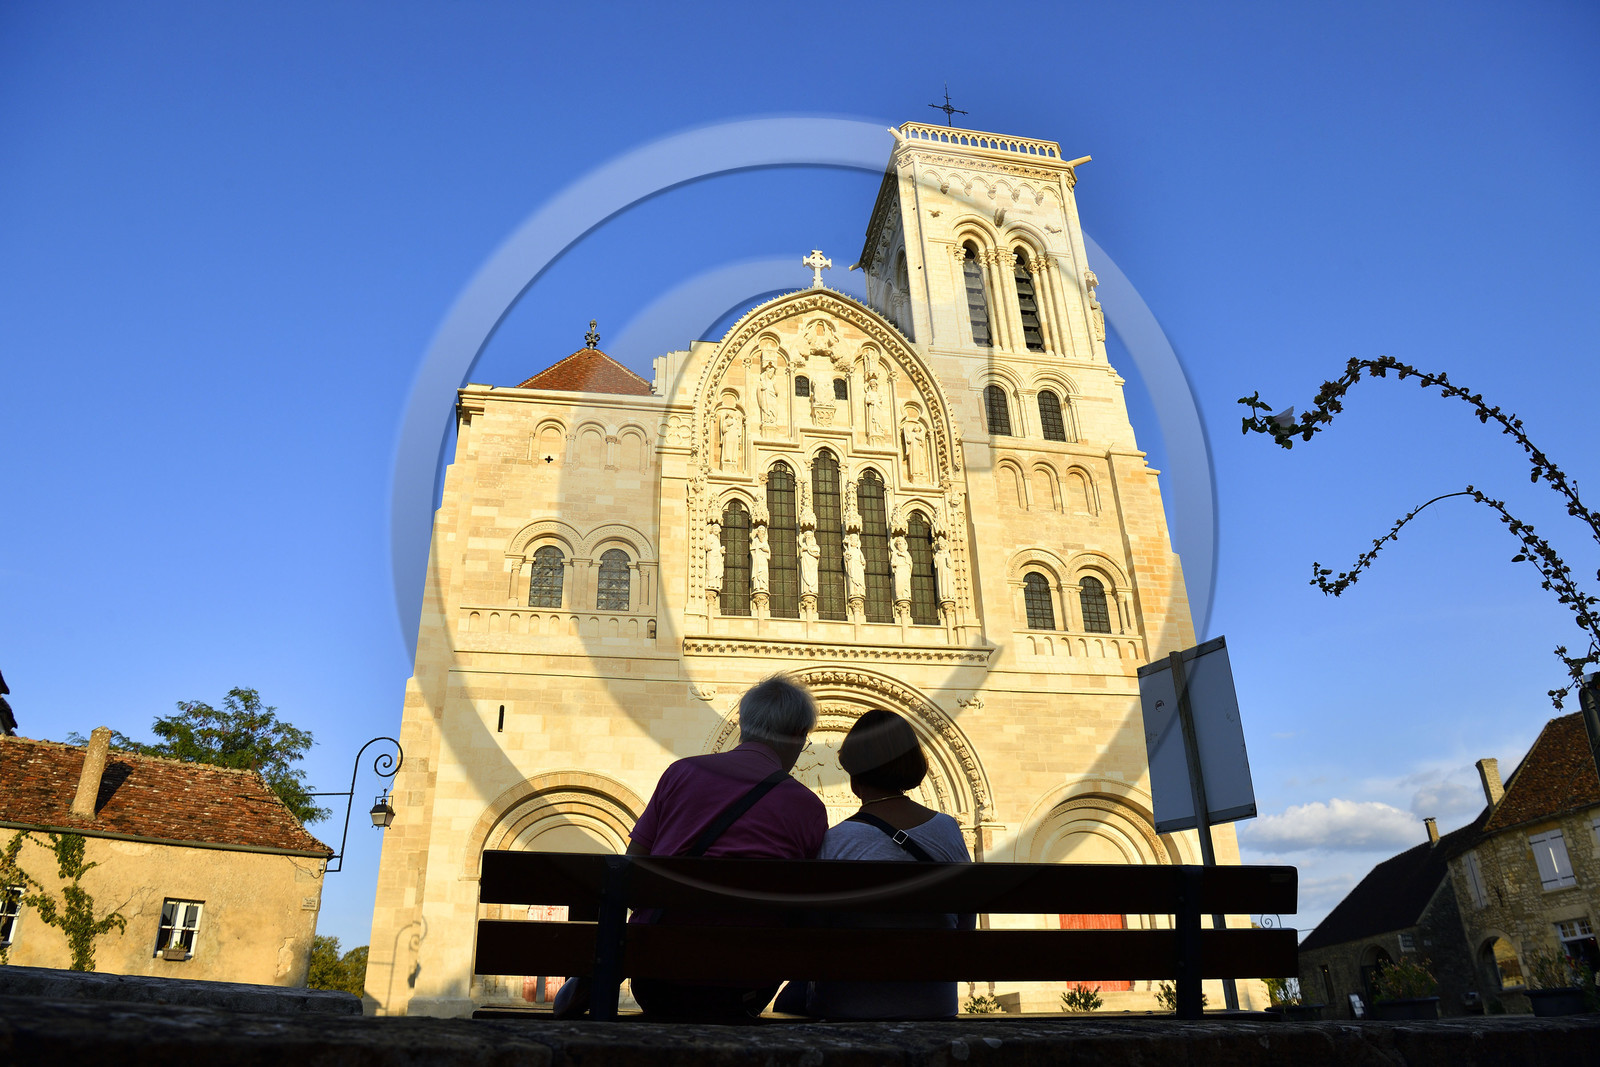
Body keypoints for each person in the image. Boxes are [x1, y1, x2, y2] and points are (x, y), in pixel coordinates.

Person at [556, 674, 826, 1020]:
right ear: (797, 737)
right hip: (744, 991)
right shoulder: (809, 808)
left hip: (658, 983)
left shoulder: (680, 774)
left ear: (745, 725)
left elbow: (632, 873)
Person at [788, 709, 974, 1020]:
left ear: (854, 771)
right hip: (935, 1006)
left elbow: (813, 940)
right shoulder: (949, 830)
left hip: (848, 1006)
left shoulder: (836, 841)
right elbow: (964, 927)